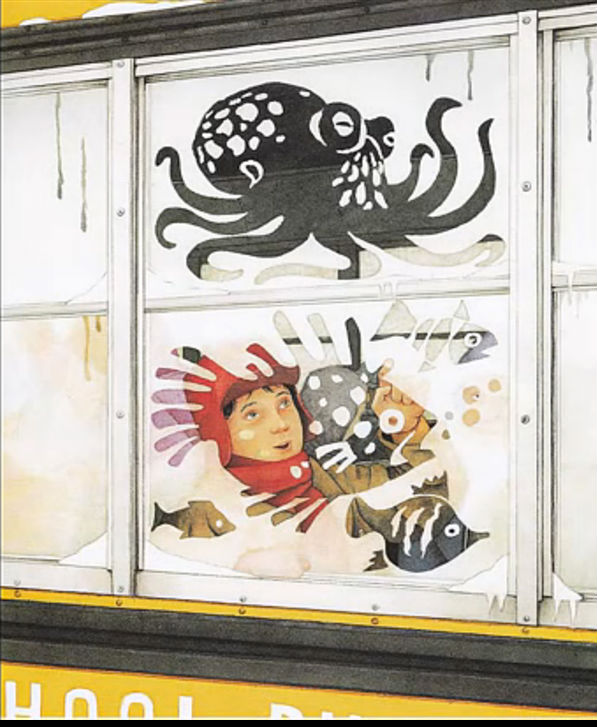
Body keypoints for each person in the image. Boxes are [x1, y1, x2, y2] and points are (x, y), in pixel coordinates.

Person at [152, 344, 437, 538]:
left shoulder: (324, 473)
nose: (280, 424)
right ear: (219, 432)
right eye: (253, 414)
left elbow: (419, 493)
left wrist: (409, 433)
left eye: (284, 403)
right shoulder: (209, 515)